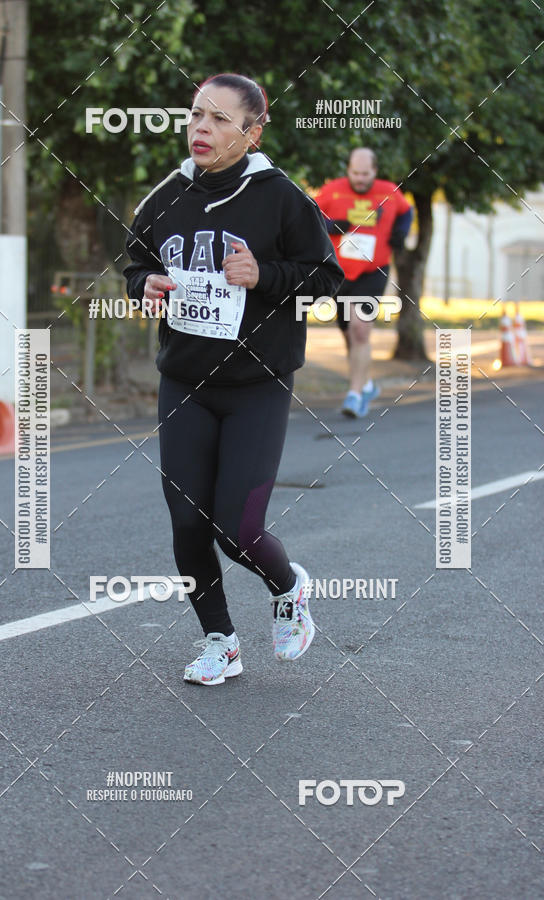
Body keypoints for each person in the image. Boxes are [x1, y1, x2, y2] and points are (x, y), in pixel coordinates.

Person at [124, 73, 344, 686]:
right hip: (185, 383)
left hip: (256, 384)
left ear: (252, 131)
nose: (201, 128)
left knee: (237, 529)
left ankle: (289, 586)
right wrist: (145, 285)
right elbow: (136, 262)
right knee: (188, 523)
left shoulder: (282, 198)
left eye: (220, 119)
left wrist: (266, 275)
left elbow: (326, 279)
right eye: (196, 115)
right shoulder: (165, 195)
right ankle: (220, 642)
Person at [315, 148, 412, 418]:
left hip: (374, 270)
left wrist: (401, 232)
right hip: (340, 273)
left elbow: (406, 212)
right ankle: (366, 385)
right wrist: (331, 225)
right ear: (348, 170)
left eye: (365, 174)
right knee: (349, 334)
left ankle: (355, 395)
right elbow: (310, 216)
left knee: (360, 331)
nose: (359, 179)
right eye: (355, 173)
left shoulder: (389, 191)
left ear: (375, 171)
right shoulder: (332, 191)